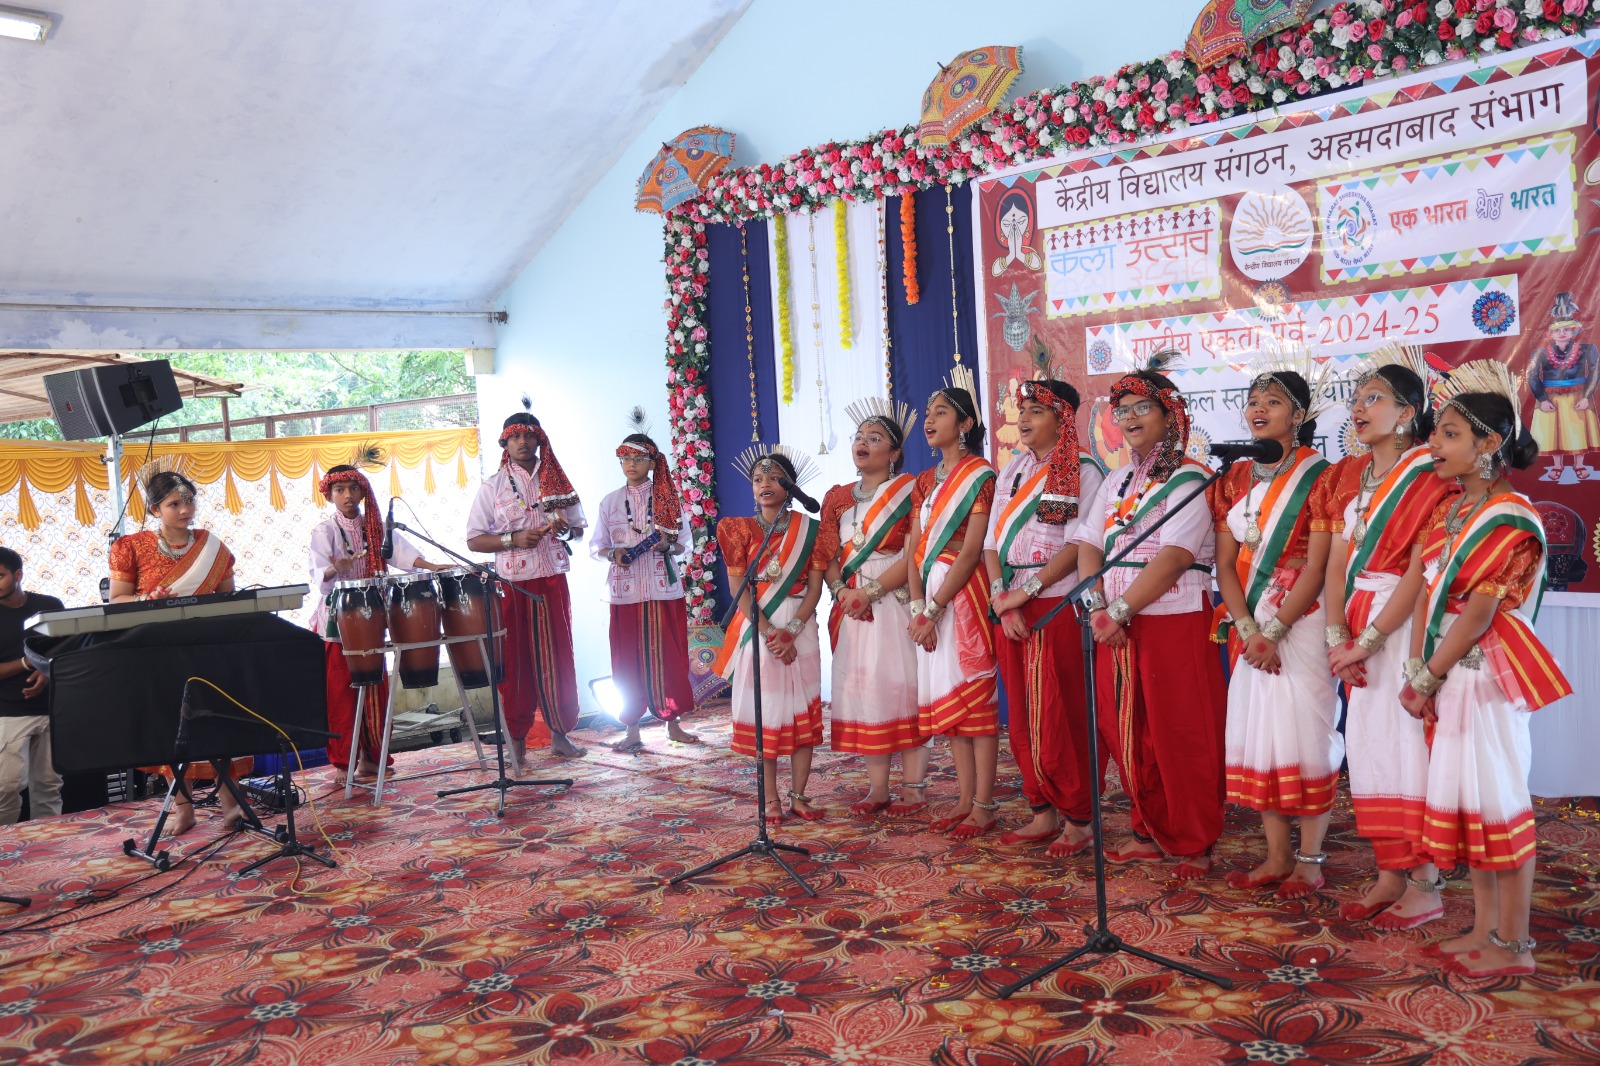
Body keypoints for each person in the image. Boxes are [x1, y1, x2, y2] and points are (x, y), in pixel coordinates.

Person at [1400, 359, 1570, 977]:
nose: (1434, 445)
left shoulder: (1510, 518)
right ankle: (1483, 928)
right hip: (1449, 672)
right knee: (1470, 805)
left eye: (1449, 434)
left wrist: (1426, 677)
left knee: (1498, 804)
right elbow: (1427, 595)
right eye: (1436, 433)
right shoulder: (1452, 511)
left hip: (1485, 678)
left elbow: (1476, 615)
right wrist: (1418, 667)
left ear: (1489, 443)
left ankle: (1515, 945)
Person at [1074, 352, 1226, 879]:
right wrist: (1098, 607)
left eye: (1143, 407)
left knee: (1180, 730)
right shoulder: (1116, 480)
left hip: (1171, 619)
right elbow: (1088, 544)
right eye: (1123, 410)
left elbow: (1175, 557)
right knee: (1124, 728)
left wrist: (1118, 610)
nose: (1130, 418)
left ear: (1170, 414)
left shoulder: (1191, 478)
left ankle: (1194, 839)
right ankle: (1147, 828)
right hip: (1113, 623)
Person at [1323, 346, 1457, 929]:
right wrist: (1338, 637)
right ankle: (1389, 872)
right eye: (1355, 399)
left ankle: (1425, 885)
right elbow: (1336, 562)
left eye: (1372, 398)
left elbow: (1420, 571)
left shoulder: (1430, 473)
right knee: (1370, 748)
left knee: (1406, 749)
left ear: (1407, 412)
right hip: (1357, 626)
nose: (1358, 408)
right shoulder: (1352, 476)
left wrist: (1368, 642)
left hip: (1404, 630)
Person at [1209, 361, 1338, 898]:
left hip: (1302, 621)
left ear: (1299, 415)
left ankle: (1311, 859)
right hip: (1250, 623)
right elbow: (1224, 562)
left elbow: (1320, 566)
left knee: (1305, 733)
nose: (1258, 409)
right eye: (1254, 401)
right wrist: (1248, 628)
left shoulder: (1322, 476)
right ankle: (1277, 854)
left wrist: (1277, 629)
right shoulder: (1234, 477)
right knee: (1261, 732)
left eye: (1273, 402)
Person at [983, 380, 1105, 856]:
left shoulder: (1084, 470)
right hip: (1010, 604)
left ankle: (1079, 818)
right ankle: (1041, 810)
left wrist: (1026, 593)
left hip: (1056, 604)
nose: (1025, 418)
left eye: (1036, 409)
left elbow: (1079, 545)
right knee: (1022, 714)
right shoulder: (1012, 469)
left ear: (1062, 418)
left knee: (1063, 711)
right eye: (1023, 409)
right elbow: (992, 543)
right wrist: (1002, 596)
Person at [108, 463, 247, 835]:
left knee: (217, 722)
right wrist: (146, 599)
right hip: (157, 651)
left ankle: (231, 803)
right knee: (172, 728)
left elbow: (228, 598)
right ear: (154, 509)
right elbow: (116, 600)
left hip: (206, 648)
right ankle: (184, 808)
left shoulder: (211, 546)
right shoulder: (130, 547)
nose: (185, 510)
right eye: (174, 504)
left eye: (189, 501)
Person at [309, 455, 446, 788]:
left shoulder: (375, 527)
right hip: (338, 622)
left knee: (375, 690)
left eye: (352, 488)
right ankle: (344, 762)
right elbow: (319, 574)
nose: (347, 495)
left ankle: (372, 758)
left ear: (363, 491)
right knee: (341, 695)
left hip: (372, 618)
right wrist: (337, 567)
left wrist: (432, 567)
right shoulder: (325, 530)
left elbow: (401, 553)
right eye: (339, 490)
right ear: (329, 495)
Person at [906, 369, 1000, 838]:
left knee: (975, 704)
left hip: (964, 597)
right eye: (928, 413)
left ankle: (984, 803)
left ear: (964, 424)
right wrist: (916, 608)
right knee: (951, 706)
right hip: (929, 597)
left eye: (940, 413)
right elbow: (914, 547)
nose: (929, 420)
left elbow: (971, 550)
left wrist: (934, 609)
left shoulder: (980, 475)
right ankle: (964, 799)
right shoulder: (926, 481)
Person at [712, 447, 828, 824]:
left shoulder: (811, 530)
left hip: (800, 626)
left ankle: (799, 795)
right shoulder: (738, 530)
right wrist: (770, 632)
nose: (765, 484)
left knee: (802, 710)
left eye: (774, 478)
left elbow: (815, 588)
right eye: (758, 479)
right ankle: (771, 798)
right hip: (759, 628)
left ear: (790, 485)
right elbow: (738, 589)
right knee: (768, 713)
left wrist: (791, 630)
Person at [465, 407, 588, 762]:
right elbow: (474, 539)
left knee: (558, 657)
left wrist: (567, 531)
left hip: (552, 580)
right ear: (505, 443)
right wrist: (512, 539)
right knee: (516, 661)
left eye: (529, 435)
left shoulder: (558, 482)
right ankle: (516, 742)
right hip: (513, 585)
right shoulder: (493, 486)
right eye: (515, 436)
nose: (522, 442)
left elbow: (579, 530)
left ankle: (560, 735)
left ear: (539, 440)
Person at [821, 398, 924, 817]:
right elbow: (827, 553)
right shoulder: (837, 497)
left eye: (875, 438)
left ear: (894, 452)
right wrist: (840, 592)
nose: (862, 443)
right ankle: (878, 788)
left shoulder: (911, 491)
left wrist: (872, 592)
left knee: (902, 688)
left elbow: (915, 553)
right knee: (865, 692)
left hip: (893, 602)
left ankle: (913, 788)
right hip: (851, 606)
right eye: (859, 437)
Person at [590, 431, 699, 752]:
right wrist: (614, 554)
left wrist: (667, 545)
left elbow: (685, 544)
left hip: (663, 591)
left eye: (638, 458)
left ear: (652, 462)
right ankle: (632, 729)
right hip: (625, 594)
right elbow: (597, 546)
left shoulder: (668, 499)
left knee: (669, 657)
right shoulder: (610, 502)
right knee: (626, 661)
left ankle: (672, 723)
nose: (631, 464)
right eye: (625, 458)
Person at [0, 548, 64, 826]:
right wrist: (29, 663)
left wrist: (46, 671)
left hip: (52, 708)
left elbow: (68, 647)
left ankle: (48, 845)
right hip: (9, 713)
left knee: (49, 786)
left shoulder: (49, 606)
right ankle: (7, 847)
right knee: (7, 788)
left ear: (18, 575)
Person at [1526, 291, 1599, 482]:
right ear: (1550, 334)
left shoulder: (1587, 349)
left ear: (1574, 331)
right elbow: (1532, 375)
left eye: (1566, 329)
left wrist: (1586, 396)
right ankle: (1557, 466)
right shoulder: (1539, 353)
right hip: (1550, 397)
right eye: (1557, 330)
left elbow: (1594, 372)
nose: (1562, 333)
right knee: (1553, 431)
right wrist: (1542, 399)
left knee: (1578, 429)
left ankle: (1579, 465)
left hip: (1578, 396)